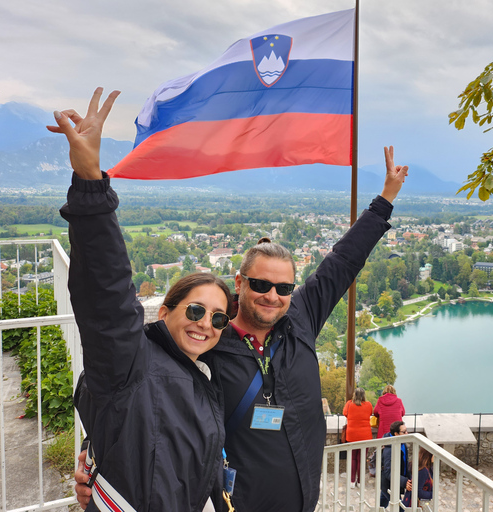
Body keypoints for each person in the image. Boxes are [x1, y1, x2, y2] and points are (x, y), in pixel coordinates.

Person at [74, 140, 408, 509]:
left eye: (283, 288)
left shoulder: (300, 318)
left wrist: (385, 198)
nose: (272, 296)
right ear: (240, 283)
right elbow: (129, 385)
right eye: (261, 285)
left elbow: (344, 260)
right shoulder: (208, 346)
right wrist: (99, 454)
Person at [51, 88, 233, 511]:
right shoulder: (131, 362)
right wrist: (90, 185)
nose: (206, 323)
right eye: (195, 310)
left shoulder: (201, 377)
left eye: (219, 319)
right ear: (164, 311)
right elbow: (107, 299)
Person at [342, 387, 374, 487]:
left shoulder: (349, 404)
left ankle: (352, 481)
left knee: (352, 458)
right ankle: (360, 481)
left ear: (354, 395)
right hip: (365, 435)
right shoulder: (368, 405)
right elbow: (370, 413)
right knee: (361, 459)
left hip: (352, 435)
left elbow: (345, 414)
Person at [380, 420, 410, 508]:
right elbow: (388, 472)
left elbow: (405, 462)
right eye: (404, 432)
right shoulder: (389, 450)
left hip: (394, 482)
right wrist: (404, 482)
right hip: (390, 485)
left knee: (382, 503)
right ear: (396, 434)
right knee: (400, 508)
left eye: (406, 430)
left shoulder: (402, 443)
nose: (407, 433)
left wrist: (409, 477)